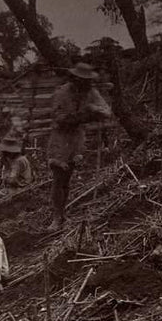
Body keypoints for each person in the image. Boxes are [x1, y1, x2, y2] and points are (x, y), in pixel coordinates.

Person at [46, 62, 112, 230]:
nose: (85, 84)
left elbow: (106, 111)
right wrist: (84, 115)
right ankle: (56, 216)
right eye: (82, 80)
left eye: (87, 81)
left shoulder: (91, 92)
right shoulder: (62, 93)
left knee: (67, 178)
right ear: (75, 79)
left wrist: (94, 109)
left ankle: (63, 214)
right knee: (58, 177)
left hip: (76, 138)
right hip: (61, 137)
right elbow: (59, 118)